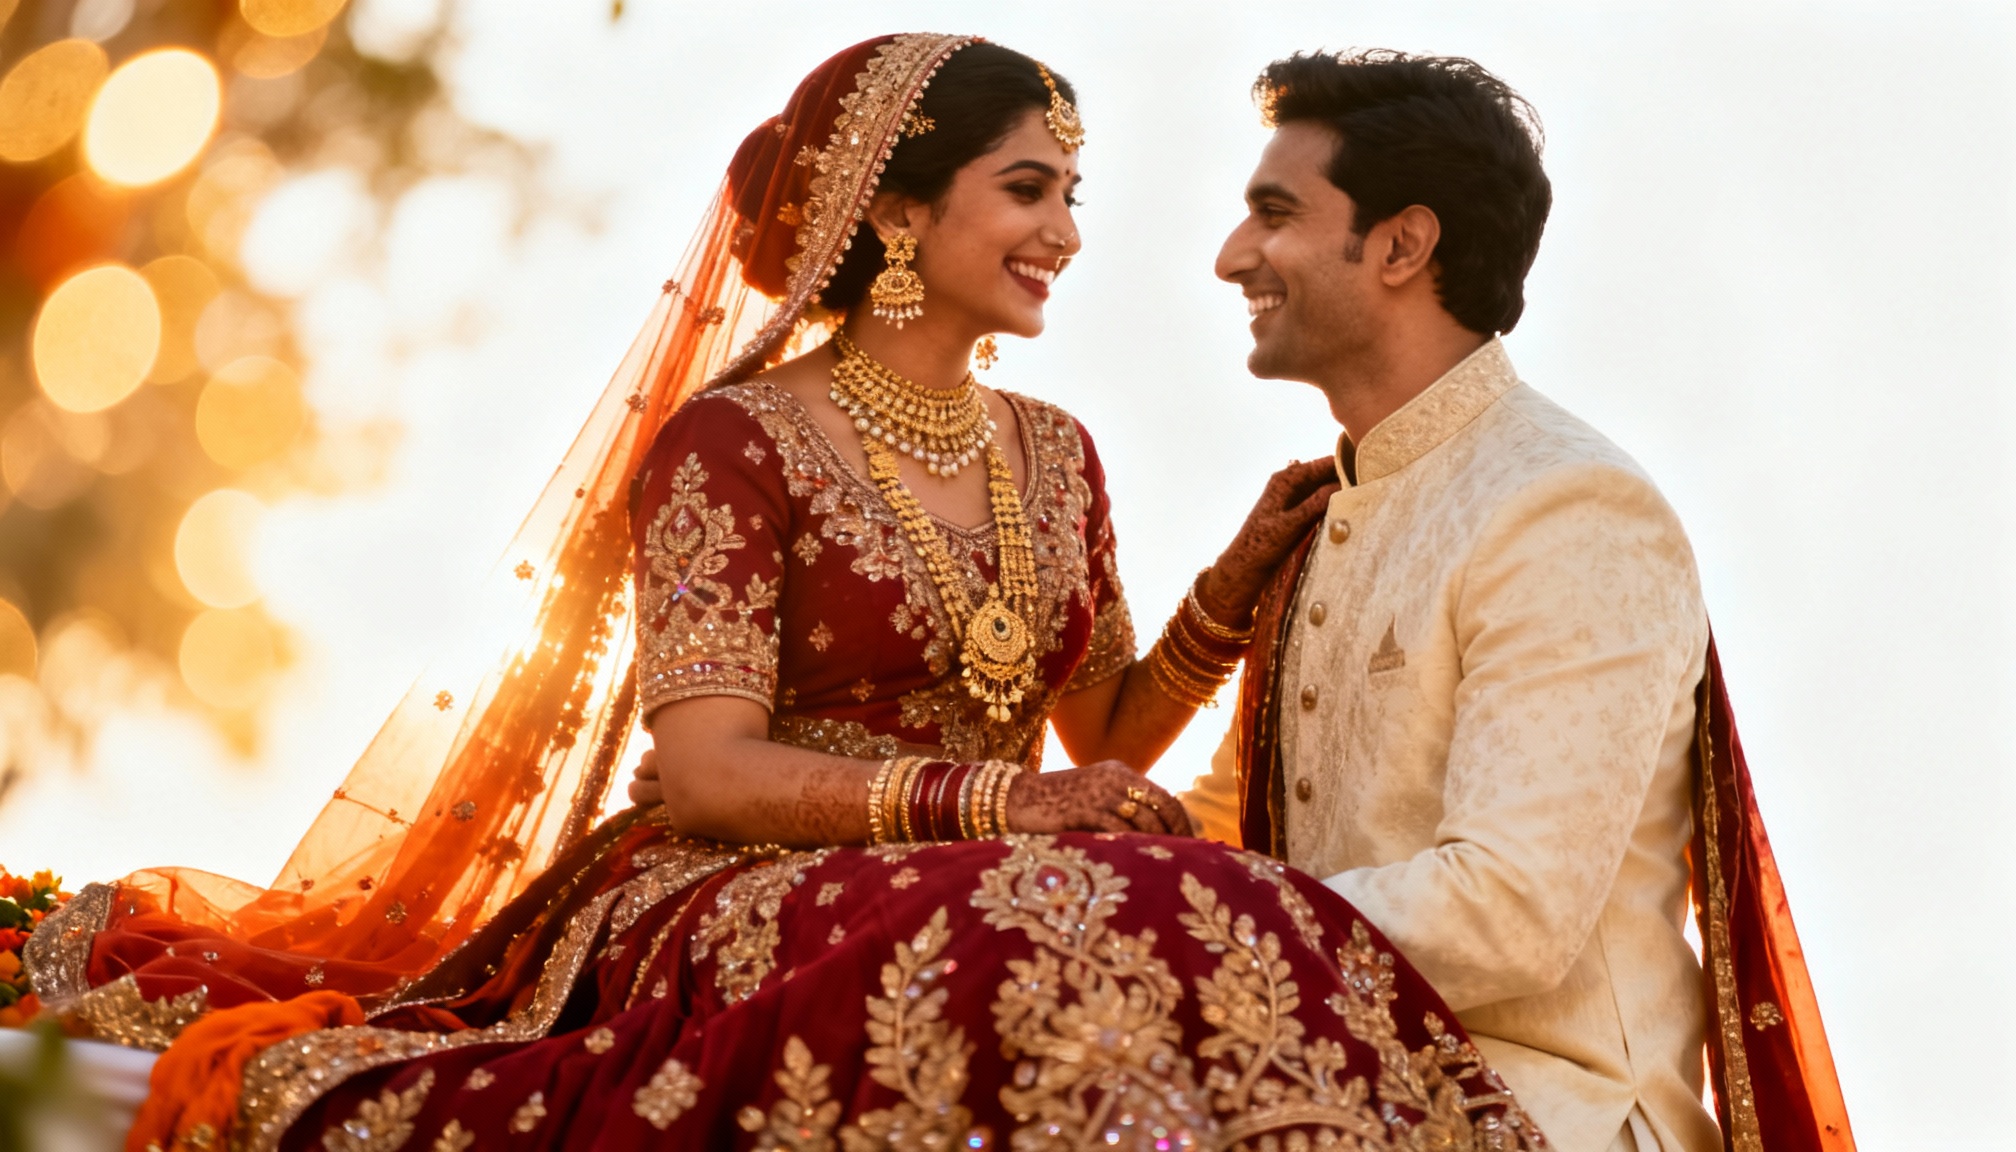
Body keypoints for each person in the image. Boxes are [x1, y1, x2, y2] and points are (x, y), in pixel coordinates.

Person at [27, 37, 1547, 1151]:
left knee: (1179, 897)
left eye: (1073, 193)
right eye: (1028, 188)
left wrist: (1235, 582)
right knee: (1082, 911)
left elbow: (1106, 731)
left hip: (975, 868)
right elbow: (704, 766)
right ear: (897, 213)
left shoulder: (1056, 455)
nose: (1068, 233)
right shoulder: (736, 441)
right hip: (707, 886)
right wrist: (1003, 811)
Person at [1182, 51, 1855, 1152]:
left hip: (1546, 1110)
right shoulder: (1325, 520)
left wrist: (1185, 932)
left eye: (1273, 213)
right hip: (1331, 1094)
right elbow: (1224, 841)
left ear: (1401, 244)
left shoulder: (1561, 503)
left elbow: (1509, 909)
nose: (1230, 257)